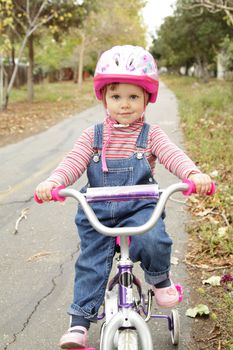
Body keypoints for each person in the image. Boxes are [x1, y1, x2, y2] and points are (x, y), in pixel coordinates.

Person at [36, 45, 212, 349]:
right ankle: (78, 323)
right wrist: (53, 182)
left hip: (140, 207)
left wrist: (193, 175)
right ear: (104, 97)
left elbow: (173, 156)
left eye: (134, 97)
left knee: (154, 239)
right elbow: (73, 162)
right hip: (97, 212)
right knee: (91, 264)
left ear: (146, 99)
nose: (125, 105)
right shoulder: (93, 136)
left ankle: (160, 279)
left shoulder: (151, 135)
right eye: (116, 97)